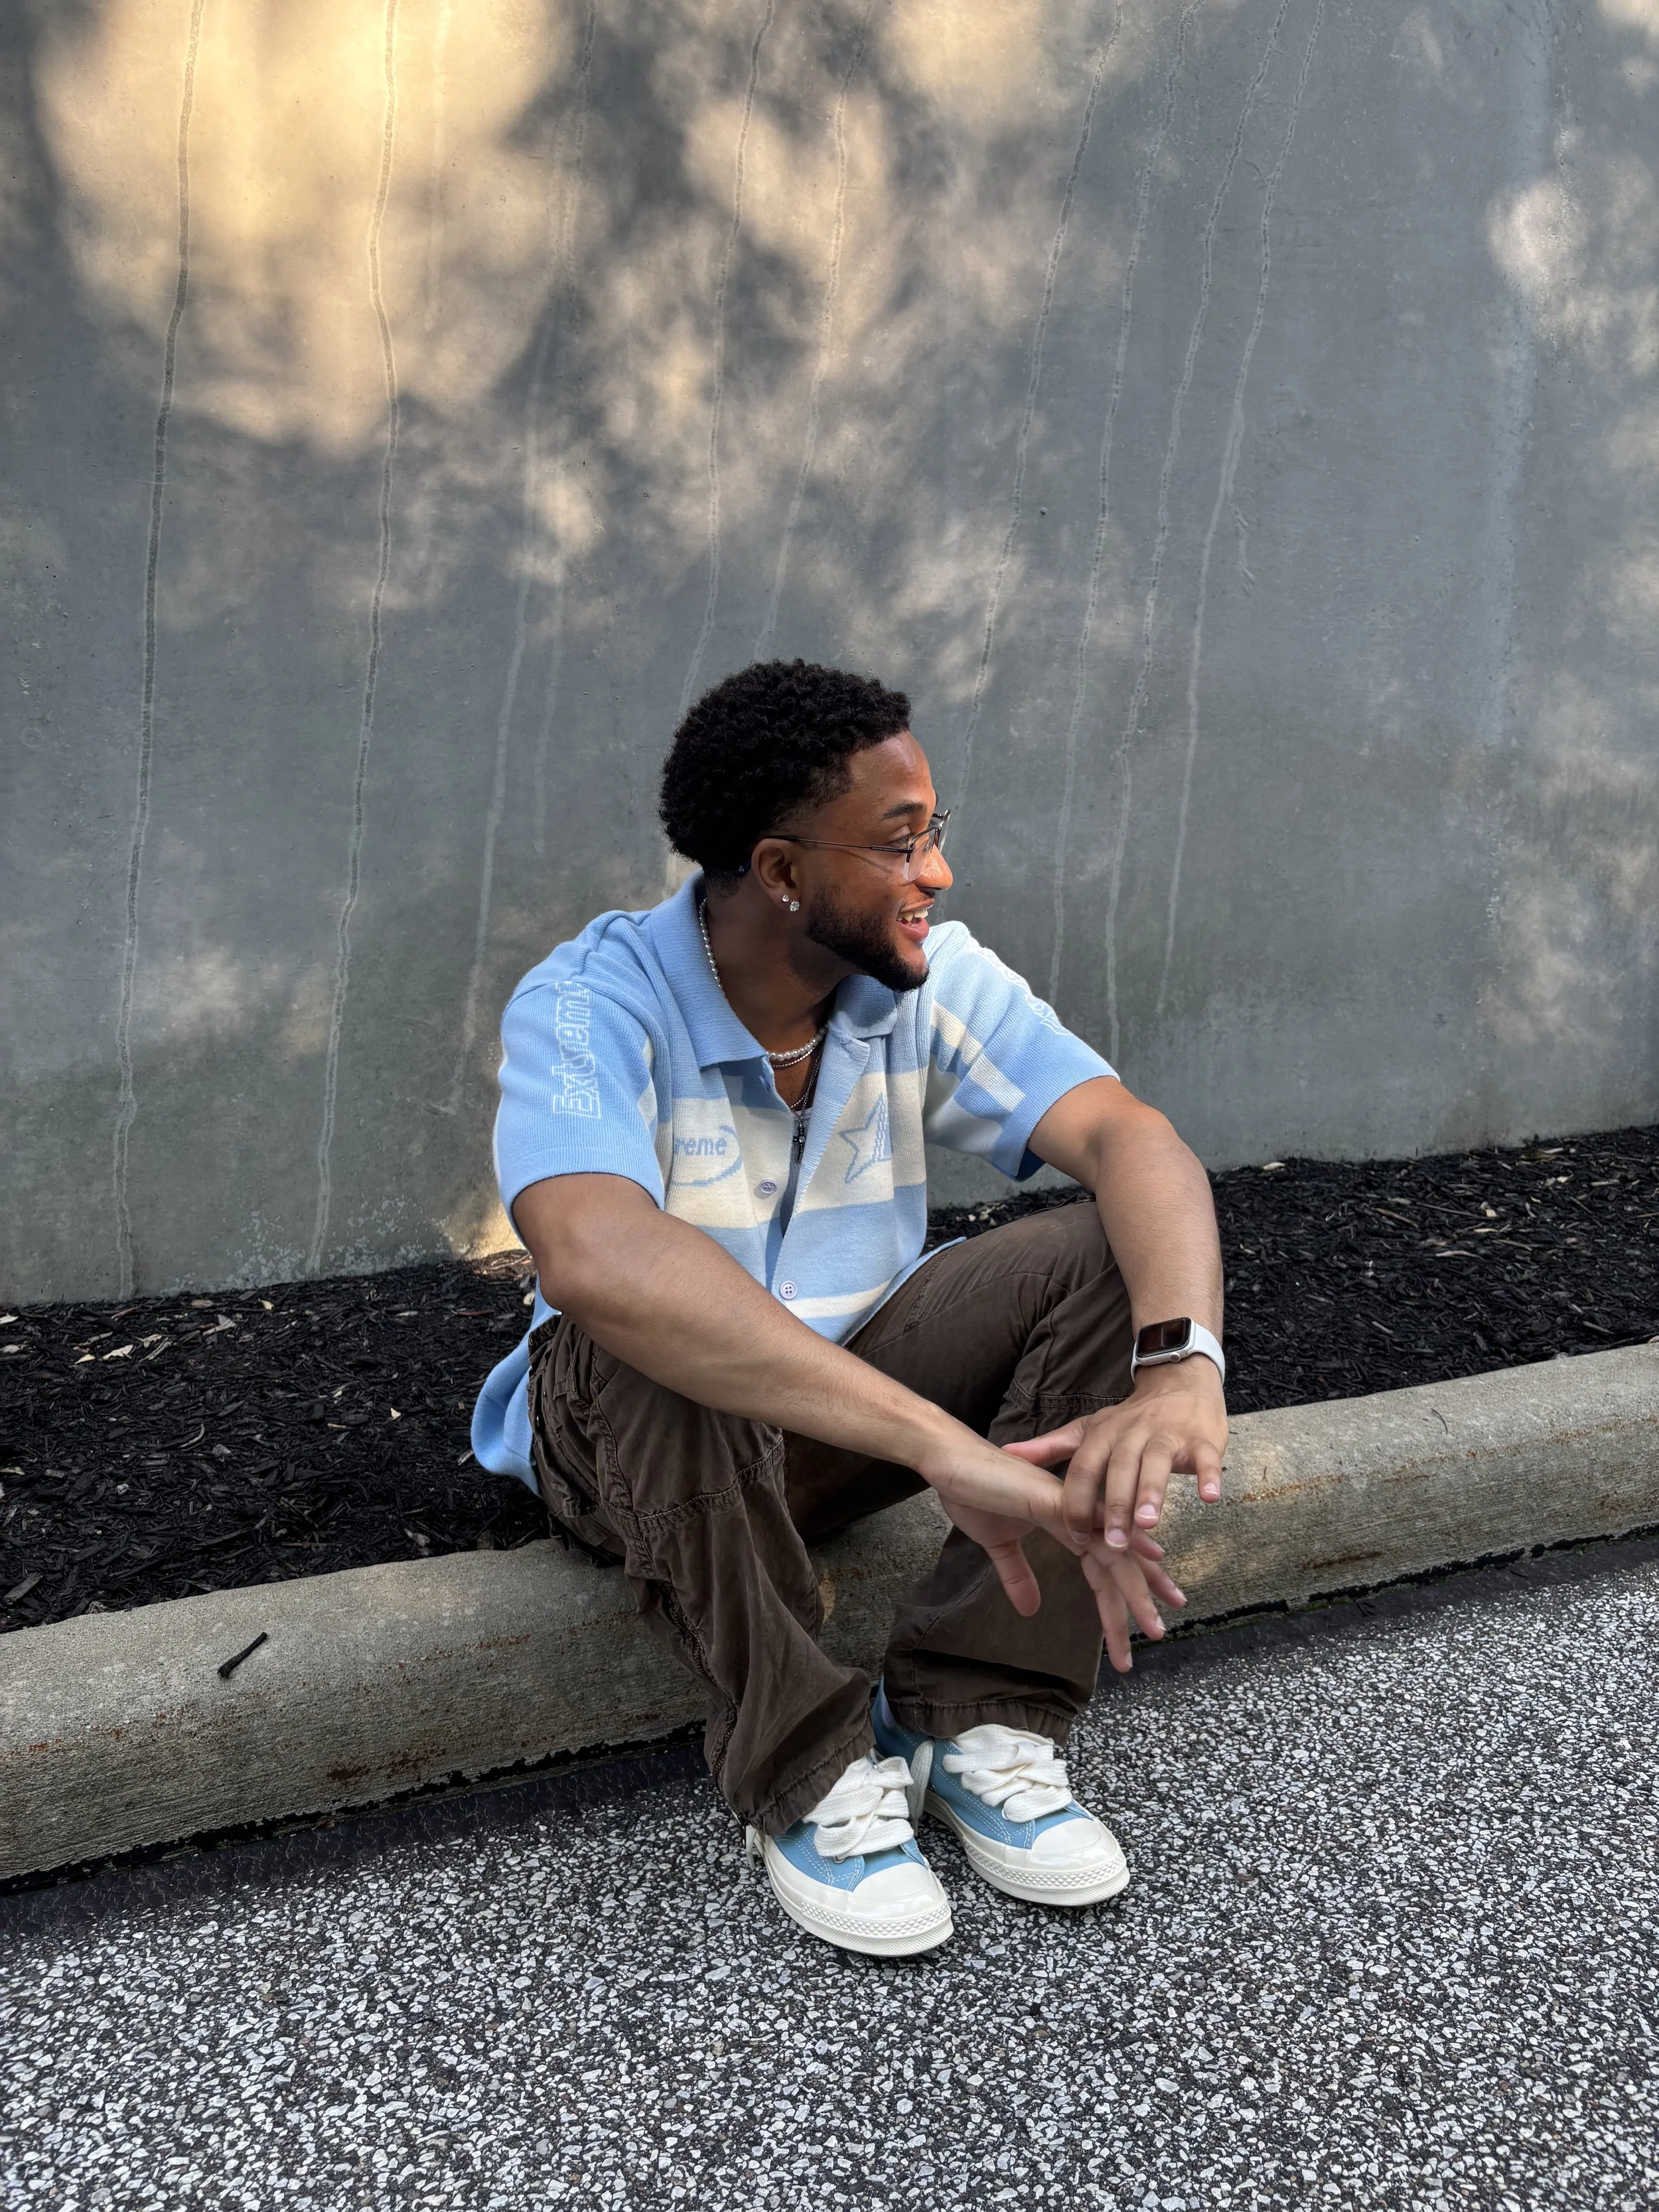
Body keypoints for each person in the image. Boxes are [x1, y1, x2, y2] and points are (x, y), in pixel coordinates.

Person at [472, 660, 1227, 1956]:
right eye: (900, 840)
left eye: (932, 832)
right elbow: (593, 1255)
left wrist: (1180, 1368)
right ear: (778, 871)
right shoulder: (591, 1001)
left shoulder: (917, 978)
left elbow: (1128, 1138)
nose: (935, 871)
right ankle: (808, 1764)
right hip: (634, 1449)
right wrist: (943, 1449)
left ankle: (975, 1706)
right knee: (662, 1319)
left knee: (1110, 1253)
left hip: (834, 1428)